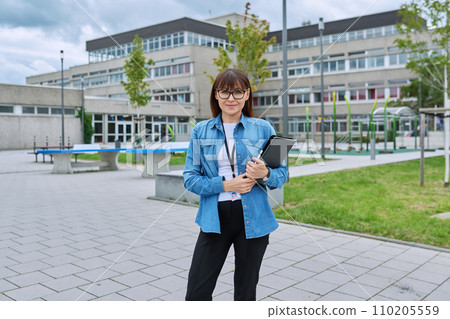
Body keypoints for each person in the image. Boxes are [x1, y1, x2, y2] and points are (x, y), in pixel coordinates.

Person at [183, 68, 288, 301]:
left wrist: (265, 173)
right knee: (196, 293)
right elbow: (190, 179)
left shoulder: (264, 129)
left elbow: (283, 175)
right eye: (225, 92)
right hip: (214, 219)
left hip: (254, 218)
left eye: (238, 92)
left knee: (245, 292)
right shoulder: (201, 131)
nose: (231, 98)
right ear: (216, 95)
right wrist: (226, 185)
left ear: (247, 94)